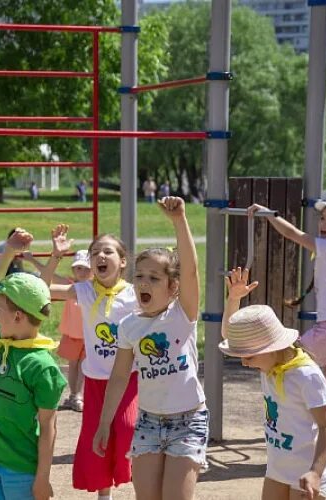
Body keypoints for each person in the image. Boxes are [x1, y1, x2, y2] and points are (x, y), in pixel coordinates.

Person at [92, 196, 207, 500]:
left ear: (173, 288)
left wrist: (179, 220)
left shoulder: (182, 315)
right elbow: (118, 378)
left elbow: (192, 271)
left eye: (154, 278)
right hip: (148, 421)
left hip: (188, 420)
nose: (144, 283)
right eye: (140, 276)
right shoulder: (130, 325)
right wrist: (104, 423)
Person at [249, 198, 326, 469]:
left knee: (284, 358)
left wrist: (268, 213)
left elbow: (292, 234)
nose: (324, 224)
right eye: (323, 218)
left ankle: (295, 441)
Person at [221, 268, 326, 500]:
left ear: (270, 349)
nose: (244, 363)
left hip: (308, 471)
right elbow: (228, 334)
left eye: (249, 356)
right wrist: (233, 299)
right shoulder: (270, 365)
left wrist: (315, 472)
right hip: (278, 468)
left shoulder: (306, 375)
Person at [42, 227, 137, 499]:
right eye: (95, 253)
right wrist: (56, 256)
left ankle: (145, 485)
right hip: (96, 380)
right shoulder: (84, 290)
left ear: (122, 261)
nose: (101, 256)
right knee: (98, 440)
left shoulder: (133, 295)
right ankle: (103, 495)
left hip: (129, 378)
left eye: (108, 251)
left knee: (128, 430)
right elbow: (42, 287)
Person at [0, 228, 66, 500]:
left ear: (17, 316)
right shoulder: (5, 342)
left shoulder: (43, 367)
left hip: (21, 471)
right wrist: (9, 251)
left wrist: (43, 479)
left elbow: (49, 427)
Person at [58, 249, 92, 412]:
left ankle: (78, 395)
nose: (83, 272)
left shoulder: (94, 288)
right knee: (73, 365)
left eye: (86, 268)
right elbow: (49, 277)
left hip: (88, 334)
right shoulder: (70, 286)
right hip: (72, 333)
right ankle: (74, 394)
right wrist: (33, 261)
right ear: (73, 270)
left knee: (83, 366)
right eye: (79, 268)